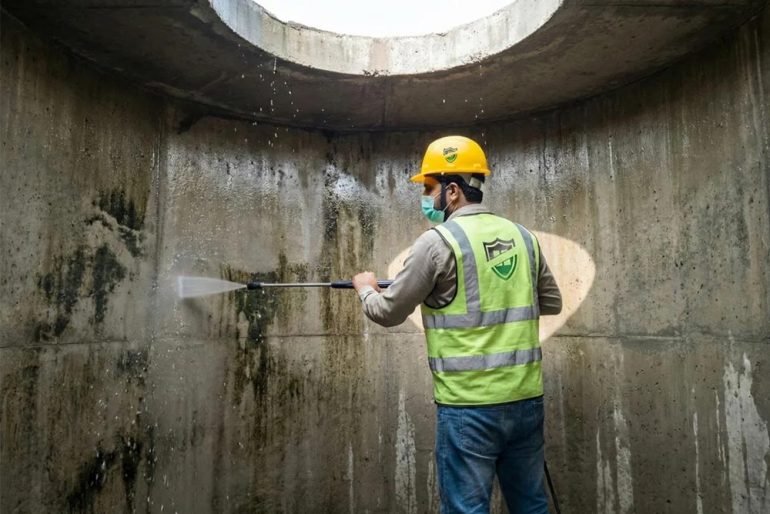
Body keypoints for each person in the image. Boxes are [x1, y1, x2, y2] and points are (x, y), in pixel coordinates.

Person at [352, 135, 562, 514]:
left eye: (429, 188)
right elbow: (551, 302)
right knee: (530, 505)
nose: (425, 197)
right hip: (525, 403)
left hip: (469, 409)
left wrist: (366, 289)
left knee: (466, 509)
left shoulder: (436, 242)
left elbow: (387, 312)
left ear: (452, 192)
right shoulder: (524, 238)